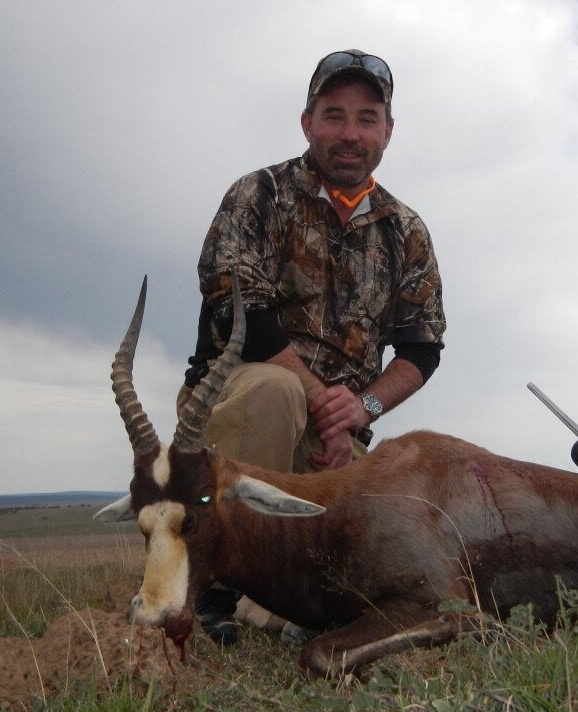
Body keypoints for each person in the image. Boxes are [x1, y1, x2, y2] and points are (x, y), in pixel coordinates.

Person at [180, 50, 447, 644]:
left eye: (366, 118)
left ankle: (272, 603)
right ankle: (212, 593)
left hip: (335, 432)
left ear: (388, 131)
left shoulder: (405, 230)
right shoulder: (259, 195)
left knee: (384, 511)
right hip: (244, 402)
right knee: (274, 392)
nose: (350, 134)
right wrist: (327, 402)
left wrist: (361, 412)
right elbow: (237, 310)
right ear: (307, 123)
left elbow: (421, 347)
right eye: (334, 116)